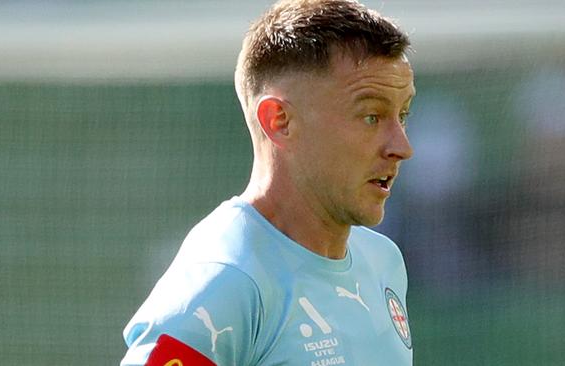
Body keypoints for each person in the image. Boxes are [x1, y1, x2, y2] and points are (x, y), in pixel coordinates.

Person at [121, 0, 415, 364]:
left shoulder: (382, 261)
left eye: (402, 114)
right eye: (371, 116)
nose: (402, 146)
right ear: (279, 121)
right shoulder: (223, 283)